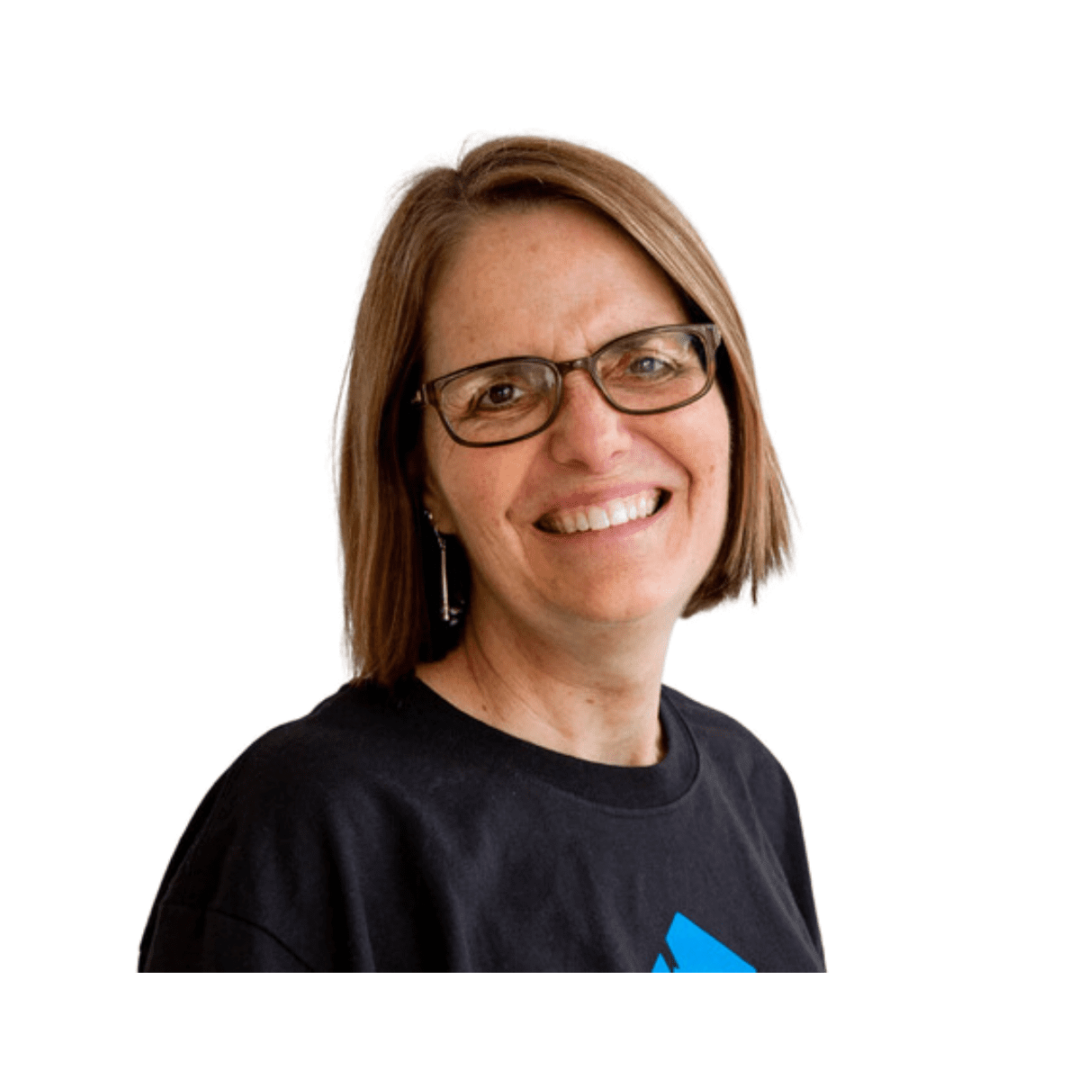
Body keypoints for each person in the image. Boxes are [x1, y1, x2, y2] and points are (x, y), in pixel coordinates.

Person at [139, 136, 825, 972]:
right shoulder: (308, 836)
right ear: (420, 476)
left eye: (647, 361)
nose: (594, 440)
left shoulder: (753, 789)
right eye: (502, 391)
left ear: (731, 402)